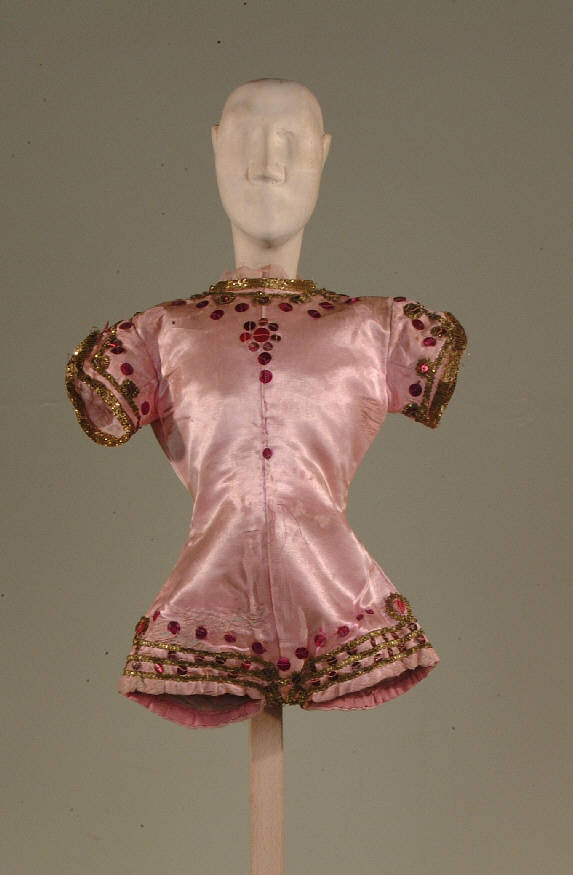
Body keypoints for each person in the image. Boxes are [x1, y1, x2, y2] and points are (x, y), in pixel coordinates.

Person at [65, 81, 467, 728]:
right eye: (247, 140)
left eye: (290, 144)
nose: (267, 165)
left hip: (339, 596)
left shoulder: (377, 328)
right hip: (206, 600)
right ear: (215, 148)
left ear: (324, 154)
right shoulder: (158, 333)